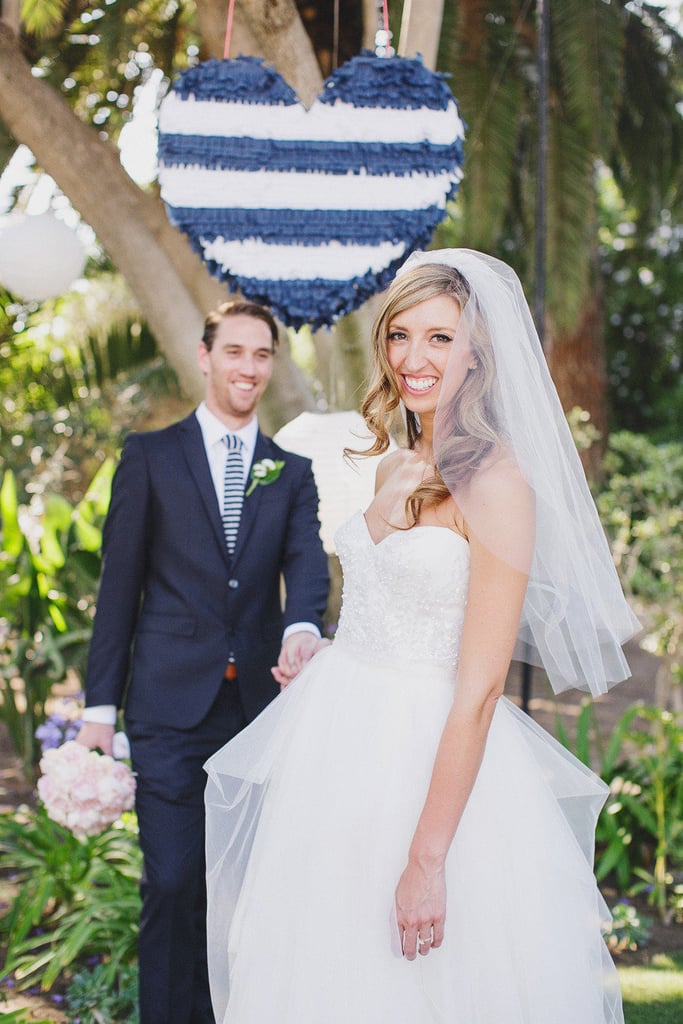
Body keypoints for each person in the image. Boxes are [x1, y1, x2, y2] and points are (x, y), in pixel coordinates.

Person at [203, 251, 641, 1023]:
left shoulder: (499, 484)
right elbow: (382, 609)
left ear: (478, 353)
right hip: (338, 751)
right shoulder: (395, 468)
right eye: (400, 335)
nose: (412, 358)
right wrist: (325, 651)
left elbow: (477, 691)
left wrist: (425, 860)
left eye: (440, 339)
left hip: (434, 762)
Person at [77, 299, 329, 1024]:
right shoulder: (149, 456)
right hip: (166, 710)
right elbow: (118, 587)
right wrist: (99, 709)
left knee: (242, 893)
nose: (247, 367)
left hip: (254, 713)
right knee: (174, 880)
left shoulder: (290, 472)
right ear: (205, 355)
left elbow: (305, 565)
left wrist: (302, 627)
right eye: (235, 352)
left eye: (261, 355)